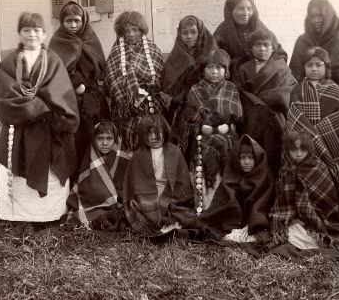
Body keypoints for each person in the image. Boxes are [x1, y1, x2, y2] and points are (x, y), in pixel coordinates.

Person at [0, 12, 79, 227]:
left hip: (47, 128)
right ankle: (20, 215)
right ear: (19, 34)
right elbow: (6, 97)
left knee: (51, 168)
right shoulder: (9, 63)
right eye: (26, 30)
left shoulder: (53, 61)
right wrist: (38, 106)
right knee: (16, 168)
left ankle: (48, 214)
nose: (32, 34)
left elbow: (61, 93)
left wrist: (47, 109)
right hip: (20, 128)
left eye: (36, 30)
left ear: (44, 35)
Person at [270, 132, 339, 250]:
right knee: (291, 232)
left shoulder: (317, 166)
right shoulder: (285, 170)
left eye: (303, 150)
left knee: (309, 236)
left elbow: (327, 196)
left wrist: (309, 210)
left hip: (319, 214)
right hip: (293, 215)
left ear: (309, 150)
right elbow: (282, 198)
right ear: (288, 150)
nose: (298, 154)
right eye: (294, 150)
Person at [48, 1, 110, 166]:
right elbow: (53, 70)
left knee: (93, 135)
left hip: (91, 98)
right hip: (67, 98)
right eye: (68, 21)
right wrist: (74, 82)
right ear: (62, 22)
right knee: (74, 140)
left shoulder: (90, 38)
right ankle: (75, 177)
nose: (73, 25)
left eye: (77, 20)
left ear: (84, 21)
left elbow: (100, 66)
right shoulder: (57, 41)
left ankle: (95, 177)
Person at [288, 0, 339, 120]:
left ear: (328, 17)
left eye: (320, 16)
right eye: (312, 16)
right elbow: (293, 75)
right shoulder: (302, 42)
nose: (316, 20)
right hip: (306, 100)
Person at [185, 49, 243, 203]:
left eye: (219, 68)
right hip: (202, 134)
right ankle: (205, 201)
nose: (214, 72)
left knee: (225, 145)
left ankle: (226, 200)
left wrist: (227, 127)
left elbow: (236, 117)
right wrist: (201, 127)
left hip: (227, 135)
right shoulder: (196, 90)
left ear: (226, 70)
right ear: (203, 70)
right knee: (202, 149)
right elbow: (191, 117)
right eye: (210, 67)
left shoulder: (231, 89)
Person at [122, 115, 196, 236]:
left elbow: (182, 184)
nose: (154, 137)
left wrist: (172, 200)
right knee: (140, 210)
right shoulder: (139, 155)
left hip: (171, 195)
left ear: (165, 132)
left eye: (158, 132)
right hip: (147, 196)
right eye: (149, 133)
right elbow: (136, 185)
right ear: (143, 135)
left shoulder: (175, 151)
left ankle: (166, 222)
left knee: (187, 217)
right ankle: (158, 222)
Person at [237, 28, 297, 175]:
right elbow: (239, 93)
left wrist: (263, 98)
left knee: (274, 152)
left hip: (274, 116)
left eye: (266, 45)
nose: (262, 49)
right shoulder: (244, 69)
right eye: (257, 45)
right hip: (251, 116)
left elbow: (289, 92)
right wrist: (255, 103)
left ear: (273, 48)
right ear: (251, 48)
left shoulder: (281, 68)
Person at [104, 11, 166, 151]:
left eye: (135, 30)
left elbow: (159, 77)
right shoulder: (116, 51)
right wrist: (126, 97)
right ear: (121, 32)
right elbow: (110, 78)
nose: (131, 34)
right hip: (124, 107)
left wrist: (145, 91)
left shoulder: (153, 49)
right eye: (127, 31)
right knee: (126, 144)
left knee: (150, 139)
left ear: (141, 30)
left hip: (149, 105)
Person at [286, 47, 339, 179]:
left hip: (329, 143)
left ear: (326, 67)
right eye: (309, 65)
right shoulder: (297, 90)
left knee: (330, 175)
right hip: (303, 145)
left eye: (318, 65)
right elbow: (293, 118)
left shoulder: (334, 89)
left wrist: (315, 134)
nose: (314, 69)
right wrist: (309, 137)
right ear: (304, 67)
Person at [197, 134, 274, 243]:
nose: (246, 162)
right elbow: (223, 204)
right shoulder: (232, 176)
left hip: (255, 224)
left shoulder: (265, 178)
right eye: (242, 158)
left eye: (251, 157)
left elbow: (261, 207)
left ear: (257, 158)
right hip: (233, 224)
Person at [162, 15, 216, 148]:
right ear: (179, 34)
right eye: (184, 33)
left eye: (193, 32)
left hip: (207, 109)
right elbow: (169, 86)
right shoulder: (175, 57)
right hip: (182, 112)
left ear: (200, 32)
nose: (189, 36)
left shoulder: (211, 54)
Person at [65, 121, 130, 231]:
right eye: (100, 138)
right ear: (94, 140)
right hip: (93, 204)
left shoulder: (123, 160)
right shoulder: (89, 160)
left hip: (116, 204)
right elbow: (84, 187)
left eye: (109, 138)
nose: (105, 143)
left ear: (115, 140)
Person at [213, 0, 287, 83]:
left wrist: (265, 67)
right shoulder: (222, 31)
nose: (245, 13)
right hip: (235, 81)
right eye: (240, 9)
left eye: (249, 9)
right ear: (230, 11)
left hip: (264, 78)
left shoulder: (259, 27)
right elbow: (215, 61)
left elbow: (280, 54)